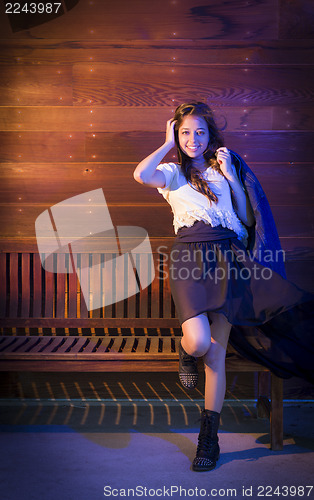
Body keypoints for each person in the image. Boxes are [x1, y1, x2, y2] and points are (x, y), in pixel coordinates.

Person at [133, 102, 314, 472]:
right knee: (199, 343)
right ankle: (186, 352)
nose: (192, 139)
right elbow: (140, 174)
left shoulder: (223, 167)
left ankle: (208, 440)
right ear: (176, 133)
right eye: (185, 132)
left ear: (210, 135)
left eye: (199, 132)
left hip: (228, 258)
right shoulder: (170, 173)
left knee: (215, 355)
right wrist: (167, 141)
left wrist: (231, 175)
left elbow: (248, 218)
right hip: (188, 259)